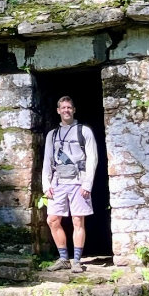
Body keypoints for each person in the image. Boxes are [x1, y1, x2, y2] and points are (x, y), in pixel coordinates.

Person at [41, 95, 97, 273]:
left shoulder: (84, 131)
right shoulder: (53, 134)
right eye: (63, 108)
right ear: (58, 111)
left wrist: (87, 184)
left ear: (74, 110)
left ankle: (77, 261)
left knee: (77, 220)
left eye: (69, 108)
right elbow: (47, 160)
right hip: (58, 183)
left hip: (78, 182)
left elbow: (92, 159)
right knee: (52, 219)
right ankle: (64, 258)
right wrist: (46, 185)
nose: (66, 110)